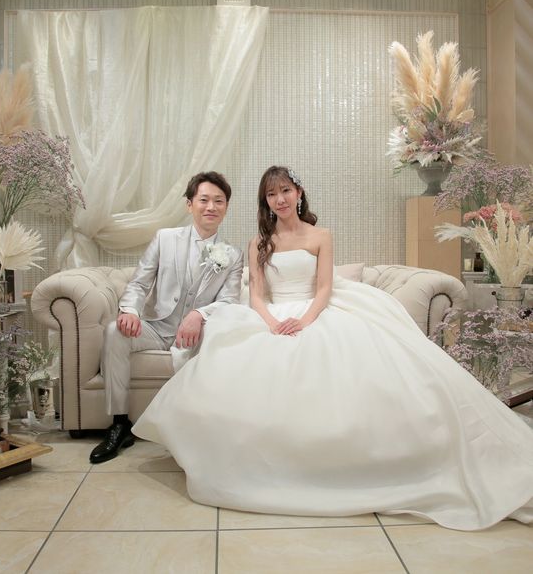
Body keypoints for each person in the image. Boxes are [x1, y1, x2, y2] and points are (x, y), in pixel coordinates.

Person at [132, 166, 533, 530]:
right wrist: (270, 322)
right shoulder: (258, 242)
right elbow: (256, 295)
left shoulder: (320, 236)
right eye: (271, 194)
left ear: (298, 193)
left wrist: (305, 320)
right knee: (232, 362)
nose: (279, 199)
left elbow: (324, 287)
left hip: (315, 311)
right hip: (271, 314)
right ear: (265, 202)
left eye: (285, 191)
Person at [90, 171, 244, 464]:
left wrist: (199, 314)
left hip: (197, 336)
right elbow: (139, 283)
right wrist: (130, 311)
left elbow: (229, 301)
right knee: (114, 332)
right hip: (157, 327)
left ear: (226, 207)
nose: (211, 207)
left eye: (219, 201)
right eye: (204, 200)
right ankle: (119, 424)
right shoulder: (165, 238)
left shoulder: (233, 255)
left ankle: (202, 430)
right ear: (189, 204)